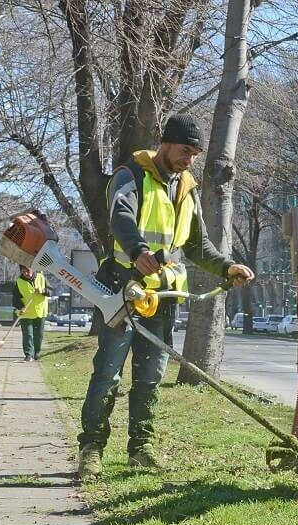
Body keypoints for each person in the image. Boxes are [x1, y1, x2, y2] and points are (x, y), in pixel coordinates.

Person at [76, 113, 254, 480]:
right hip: (124, 290)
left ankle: (140, 448)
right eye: (185, 151)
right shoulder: (130, 176)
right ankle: (91, 448)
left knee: (150, 375)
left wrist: (226, 267)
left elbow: (197, 245)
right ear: (166, 143)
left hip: (162, 297)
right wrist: (138, 250)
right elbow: (120, 219)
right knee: (108, 372)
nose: (190, 159)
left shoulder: (187, 189)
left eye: (195, 154)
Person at [13, 265, 48, 362]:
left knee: (38, 334)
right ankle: (29, 354)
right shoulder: (19, 282)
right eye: (23, 271)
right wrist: (21, 307)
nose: (26, 273)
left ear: (32, 269)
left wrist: (42, 291)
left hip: (40, 311)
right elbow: (15, 299)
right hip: (26, 312)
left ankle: (36, 352)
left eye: (28, 271)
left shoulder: (41, 277)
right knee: (28, 334)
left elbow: (51, 292)